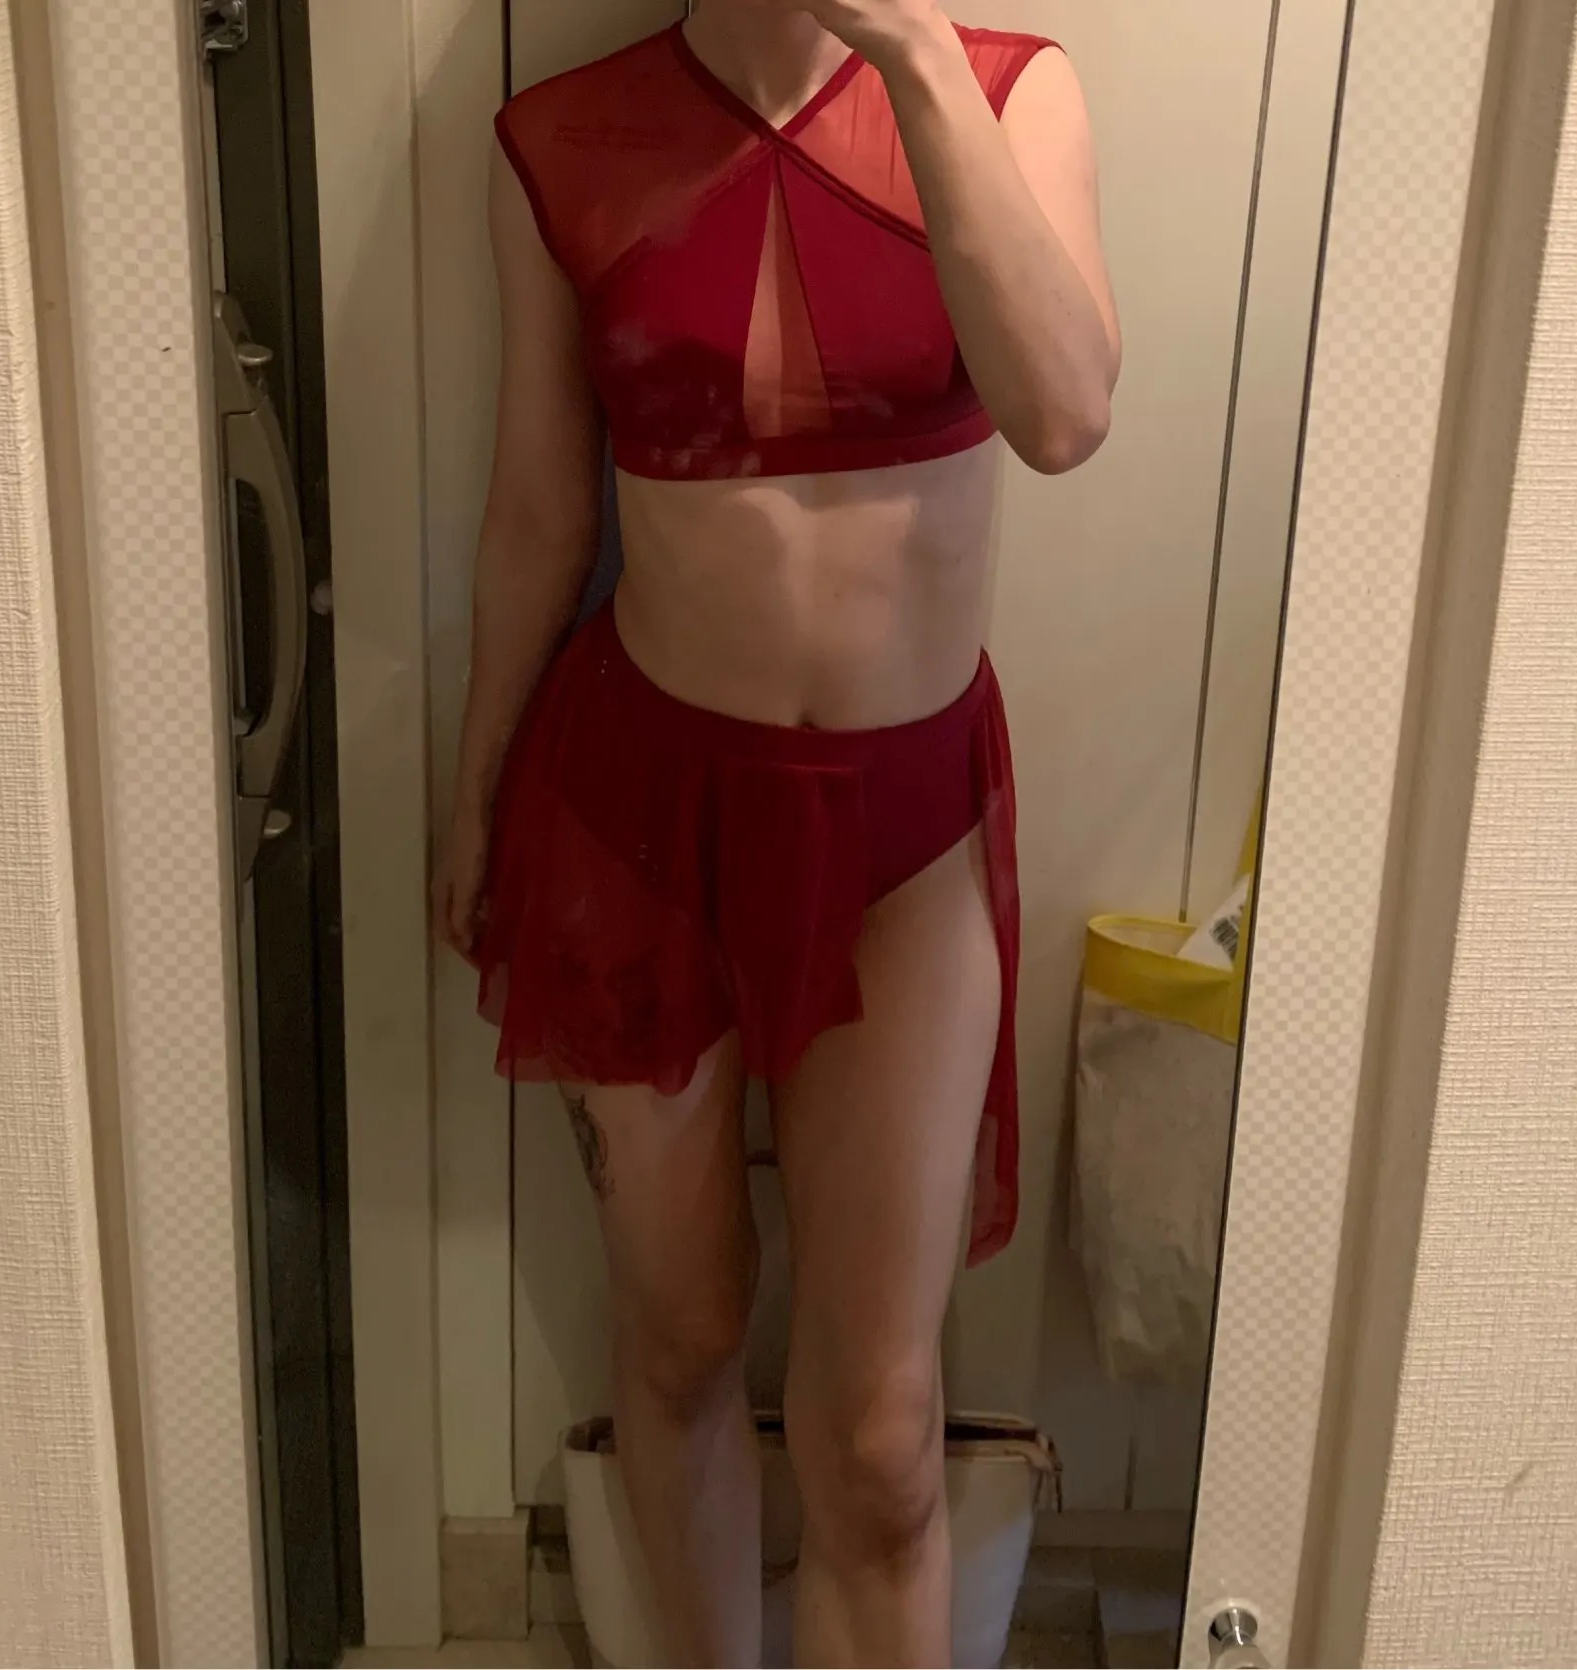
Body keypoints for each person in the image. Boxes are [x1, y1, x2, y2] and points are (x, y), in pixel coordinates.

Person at [433, 0, 1118, 1661]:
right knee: (679, 1342)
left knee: (881, 1429)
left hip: (903, 844)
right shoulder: (561, 141)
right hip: (635, 816)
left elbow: (1064, 416)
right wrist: (474, 785)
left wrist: (914, 58)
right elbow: (540, 508)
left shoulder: (1008, 92)